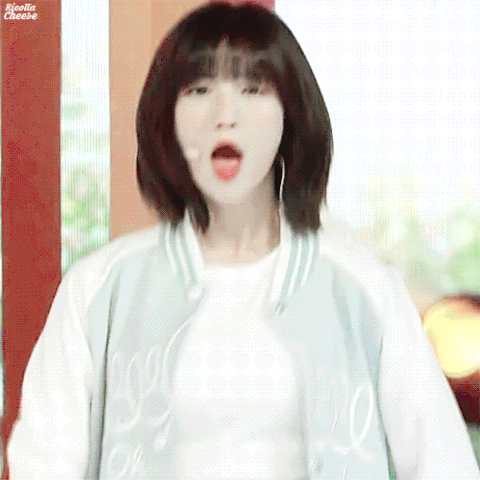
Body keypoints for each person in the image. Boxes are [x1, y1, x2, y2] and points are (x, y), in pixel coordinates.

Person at [6, 2, 480, 479]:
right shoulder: (99, 288)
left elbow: (444, 463)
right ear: (167, 118)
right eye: (199, 90)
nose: (225, 116)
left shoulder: (365, 289)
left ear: (290, 115)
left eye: (253, 89)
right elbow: (42, 463)